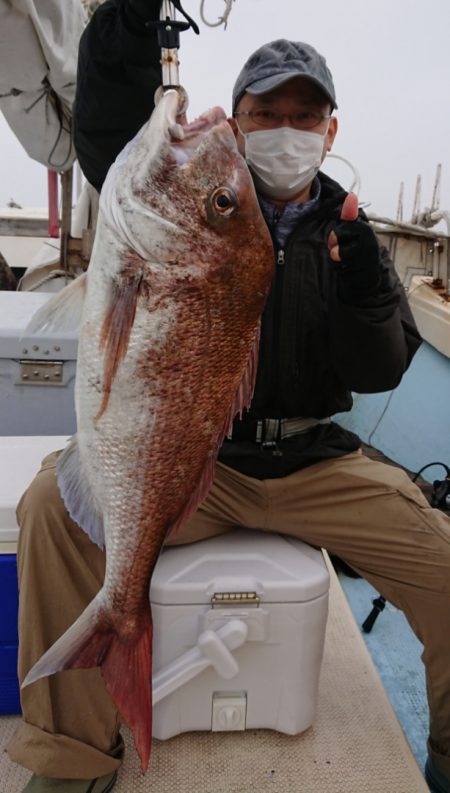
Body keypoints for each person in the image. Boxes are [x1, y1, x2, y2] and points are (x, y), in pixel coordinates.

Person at [6, 2, 450, 793]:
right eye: (265, 113)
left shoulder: (351, 232)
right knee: (50, 509)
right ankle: (73, 759)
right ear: (239, 126)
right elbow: (108, 132)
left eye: (304, 115)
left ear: (331, 131)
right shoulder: (188, 198)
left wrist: (362, 285)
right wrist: (129, 27)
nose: (286, 129)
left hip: (315, 460)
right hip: (201, 463)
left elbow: (379, 370)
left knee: (443, 560)